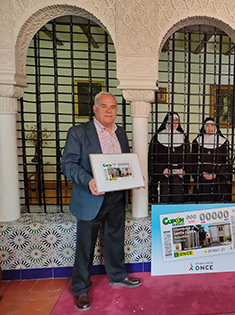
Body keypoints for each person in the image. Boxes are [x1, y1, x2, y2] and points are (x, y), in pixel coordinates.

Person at [61, 92, 141, 311]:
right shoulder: (78, 132)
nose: (109, 110)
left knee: (115, 238)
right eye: (104, 106)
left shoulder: (121, 132)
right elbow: (68, 164)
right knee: (85, 246)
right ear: (95, 109)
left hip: (116, 196)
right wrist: (88, 181)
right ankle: (80, 289)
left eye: (113, 107)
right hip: (90, 197)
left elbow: (123, 162)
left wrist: (134, 177)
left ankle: (117, 275)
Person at [149, 112, 190, 203]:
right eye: (172, 120)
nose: (174, 123)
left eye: (177, 120)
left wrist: (183, 170)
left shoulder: (183, 137)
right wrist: (162, 169)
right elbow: (152, 157)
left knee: (179, 200)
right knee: (164, 199)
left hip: (179, 175)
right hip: (163, 176)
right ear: (167, 121)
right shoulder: (157, 138)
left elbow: (188, 158)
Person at [191, 117, 229, 202]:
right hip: (201, 177)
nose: (210, 128)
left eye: (212, 126)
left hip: (217, 178)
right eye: (207, 126)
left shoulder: (223, 142)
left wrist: (216, 174)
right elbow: (193, 160)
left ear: (215, 127)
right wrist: (201, 172)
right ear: (204, 127)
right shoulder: (197, 142)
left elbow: (226, 161)